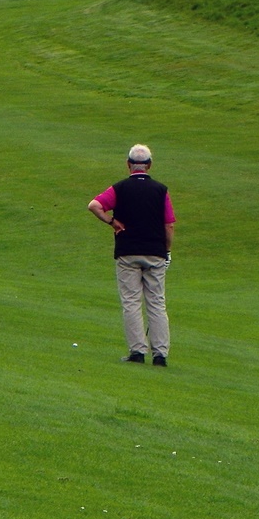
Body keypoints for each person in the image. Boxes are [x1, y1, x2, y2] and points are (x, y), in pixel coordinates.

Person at [88, 144, 176, 366]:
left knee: (131, 302)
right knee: (156, 303)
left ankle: (137, 351)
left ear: (128, 165)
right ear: (149, 165)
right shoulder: (161, 190)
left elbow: (95, 205)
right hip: (155, 253)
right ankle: (160, 354)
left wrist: (111, 221)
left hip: (127, 252)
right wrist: (166, 250)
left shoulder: (119, 188)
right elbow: (169, 226)